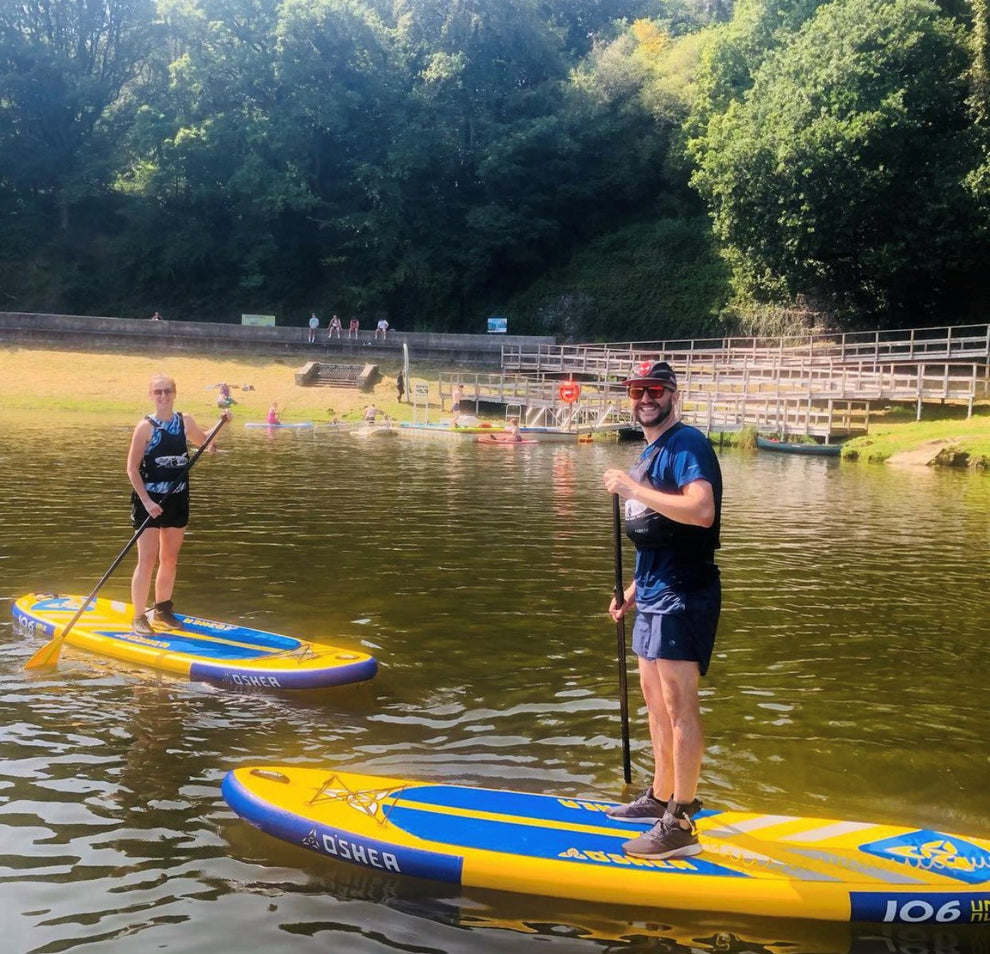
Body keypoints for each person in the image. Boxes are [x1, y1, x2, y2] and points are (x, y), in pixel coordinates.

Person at [601, 360, 722, 861]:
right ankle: (660, 797)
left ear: (673, 394)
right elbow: (660, 534)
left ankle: (682, 819)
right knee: (654, 702)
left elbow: (701, 511)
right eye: (636, 390)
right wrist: (632, 588)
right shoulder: (650, 452)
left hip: (683, 595)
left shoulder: (688, 444)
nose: (644, 397)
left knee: (679, 706)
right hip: (652, 592)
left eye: (654, 389)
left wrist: (631, 489)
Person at [127, 374, 231, 636]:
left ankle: (162, 609)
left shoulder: (184, 421)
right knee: (147, 560)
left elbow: (204, 442)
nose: (163, 396)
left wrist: (222, 423)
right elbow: (131, 469)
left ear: (174, 394)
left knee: (169, 559)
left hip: (177, 499)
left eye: (167, 392)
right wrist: (147, 501)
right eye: (158, 392)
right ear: (151, 395)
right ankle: (139, 616)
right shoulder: (145, 427)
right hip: (149, 502)